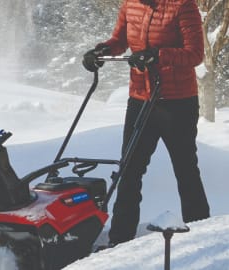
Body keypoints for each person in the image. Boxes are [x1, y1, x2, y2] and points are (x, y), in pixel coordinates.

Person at [82, 0, 210, 248]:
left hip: (177, 104)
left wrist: (158, 55)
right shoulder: (131, 4)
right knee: (129, 170)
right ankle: (120, 242)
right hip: (140, 99)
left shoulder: (183, 5)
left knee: (185, 170)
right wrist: (100, 51)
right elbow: (119, 41)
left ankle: (202, 238)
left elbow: (195, 53)